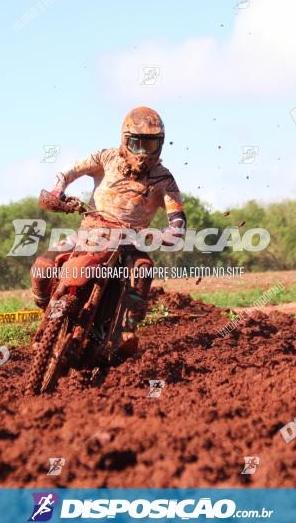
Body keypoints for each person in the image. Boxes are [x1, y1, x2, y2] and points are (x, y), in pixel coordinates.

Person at [31, 107, 186, 346]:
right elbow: (68, 172)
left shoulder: (163, 179)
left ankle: (127, 328)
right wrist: (58, 191)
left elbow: (177, 213)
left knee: (143, 269)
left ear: (161, 144)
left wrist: (174, 229)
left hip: (129, 240)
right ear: (125, 141)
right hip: (90, 230)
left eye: (150, 145)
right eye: (137, 144)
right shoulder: (106, 158)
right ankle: (47, 308)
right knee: (41, 269)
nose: (143, 152)